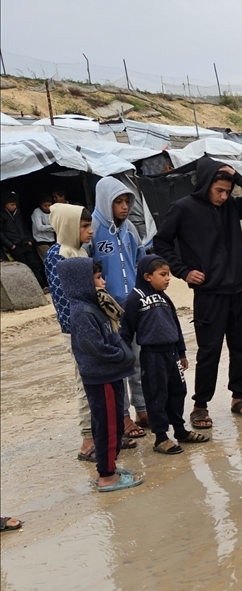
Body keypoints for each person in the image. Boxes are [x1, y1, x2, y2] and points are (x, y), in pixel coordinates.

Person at [152, 157, 242, 429]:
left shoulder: (231, 206)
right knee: (209, 351)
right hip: (209, 294)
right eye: (219, 191)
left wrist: (239, 178)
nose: (224, 196)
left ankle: (238, 398)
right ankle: (200, 406)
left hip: (237, 289)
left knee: (240, 349)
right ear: (205, 185)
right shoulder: (183, 209)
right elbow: (161, 242)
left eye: (228, 191)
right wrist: (183, 271)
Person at [57, 257, 143, 492]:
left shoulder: (95, 306)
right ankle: (106, 475)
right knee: (107, 425)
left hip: (110, 374)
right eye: (97, 278)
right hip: (101, 377)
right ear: (81, 282)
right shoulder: (83, 312)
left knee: (113, 422)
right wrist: (123, 355)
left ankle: (110, 467)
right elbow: (94, 348)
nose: (103, 282)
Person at [120, 255, 210, 455]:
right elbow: (126, 330)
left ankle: (180, 430)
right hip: (152, 356)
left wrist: (182, 352)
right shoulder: (134, 298)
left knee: (178, 391)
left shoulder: (165, 297)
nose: (168, 278)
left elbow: (175, 326)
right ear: (147, 276)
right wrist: (124, 355)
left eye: (168, 274)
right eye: (163, 275)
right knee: (156, 395)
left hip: (172, 354)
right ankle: (161, 437)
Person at [92, 176, 148, 437]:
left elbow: (140, 258)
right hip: (107, 310)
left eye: (127, 201)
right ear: (105, 201)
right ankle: (123, 416)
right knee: (118, 364)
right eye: (118, 202)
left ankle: (142, 408)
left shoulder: (130, 230)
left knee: (137, 358)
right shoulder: (92, 228)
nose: (124, 207)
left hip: (132, 305)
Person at [45, 204, 98, 461]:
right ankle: (87, 441)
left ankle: (103, 434)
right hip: (77, 330)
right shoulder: (58, 255)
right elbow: (65, 300)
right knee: (85, 382)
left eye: (90, 225)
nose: (90, 231)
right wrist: (82, 333)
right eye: (84, 226)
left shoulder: (79, 251)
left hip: (91, 327)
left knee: (98, 381)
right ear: (68, 227)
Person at [1, 192, 47, 289]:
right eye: (12, 204)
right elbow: (1, 233)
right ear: (6, 204)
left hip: (25, 242)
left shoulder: (18, 213)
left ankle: (42, 285)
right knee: (24, 267)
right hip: (15, 245)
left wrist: (29, 239)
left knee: (34, 265)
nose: (14, 206)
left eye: (15, 204)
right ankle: (32, 288)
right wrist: (10, 245)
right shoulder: (2, 215)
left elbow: (24, 227)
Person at [31, 194, 56, 262]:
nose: (47, 207)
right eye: (45, 205)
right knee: (48, 261)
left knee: (55, 259)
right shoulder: (37, 212)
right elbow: (40, 227)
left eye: (49, 205)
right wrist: (52, 227)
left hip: (52, 239)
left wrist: (46, 226)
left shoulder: (53, 212)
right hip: (41, 240)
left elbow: (57, 226)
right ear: (40, 204)